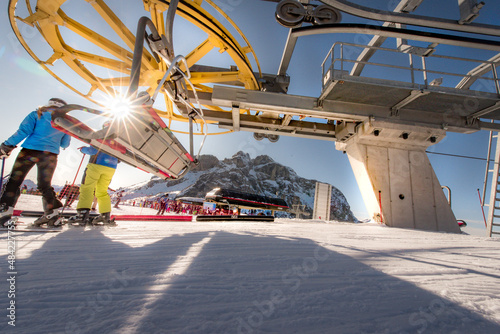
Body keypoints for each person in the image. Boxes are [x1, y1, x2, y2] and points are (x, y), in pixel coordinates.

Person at [0, 98, 71, 227]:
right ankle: (52, 214)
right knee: (45, 185)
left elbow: (23, 131)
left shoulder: (37, 114)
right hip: (50, 155)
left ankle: (4, 212)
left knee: (15, 181)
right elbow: (65, 143)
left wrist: (7, 145)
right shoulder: (66, 122)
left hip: (29, 151)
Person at [68, 121, 119, 226]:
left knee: (87, 188)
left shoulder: (100, 136)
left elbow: (92, 151)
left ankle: (82, 215)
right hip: (111, 168)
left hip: (95, 165)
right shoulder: (119, 140)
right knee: (102, 191)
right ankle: (105, 215)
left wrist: (83, 149)